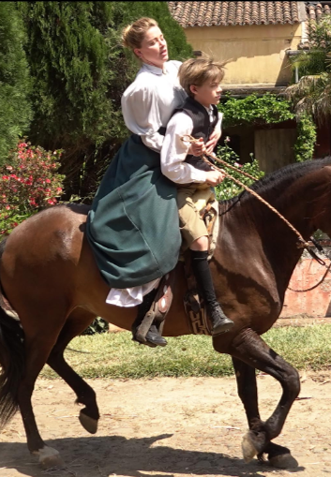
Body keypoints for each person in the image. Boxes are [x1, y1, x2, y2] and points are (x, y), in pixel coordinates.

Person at [86, 18, 222, 347]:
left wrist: (214, 130)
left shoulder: (177, 68)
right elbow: (149, 136)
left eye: (161, 38)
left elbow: (206, 98)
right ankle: (148, 315)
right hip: (150, 161)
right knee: (159, 231)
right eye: (152, 43)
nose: (162, 44)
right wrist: (184, 146)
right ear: (138, 51)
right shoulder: (140, 89)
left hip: (185, 154)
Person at [160, 57, 234, 336]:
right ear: (194, 88)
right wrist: (205, 176)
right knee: (201, 242)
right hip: (181, 190)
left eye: (219, 84)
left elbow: (214, 125)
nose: (219, 90)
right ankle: (212, 308)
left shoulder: (212, 111)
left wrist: (213, 146)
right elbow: (170, 168)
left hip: (203, 185)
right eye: (213, 85)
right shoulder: (181, 121)